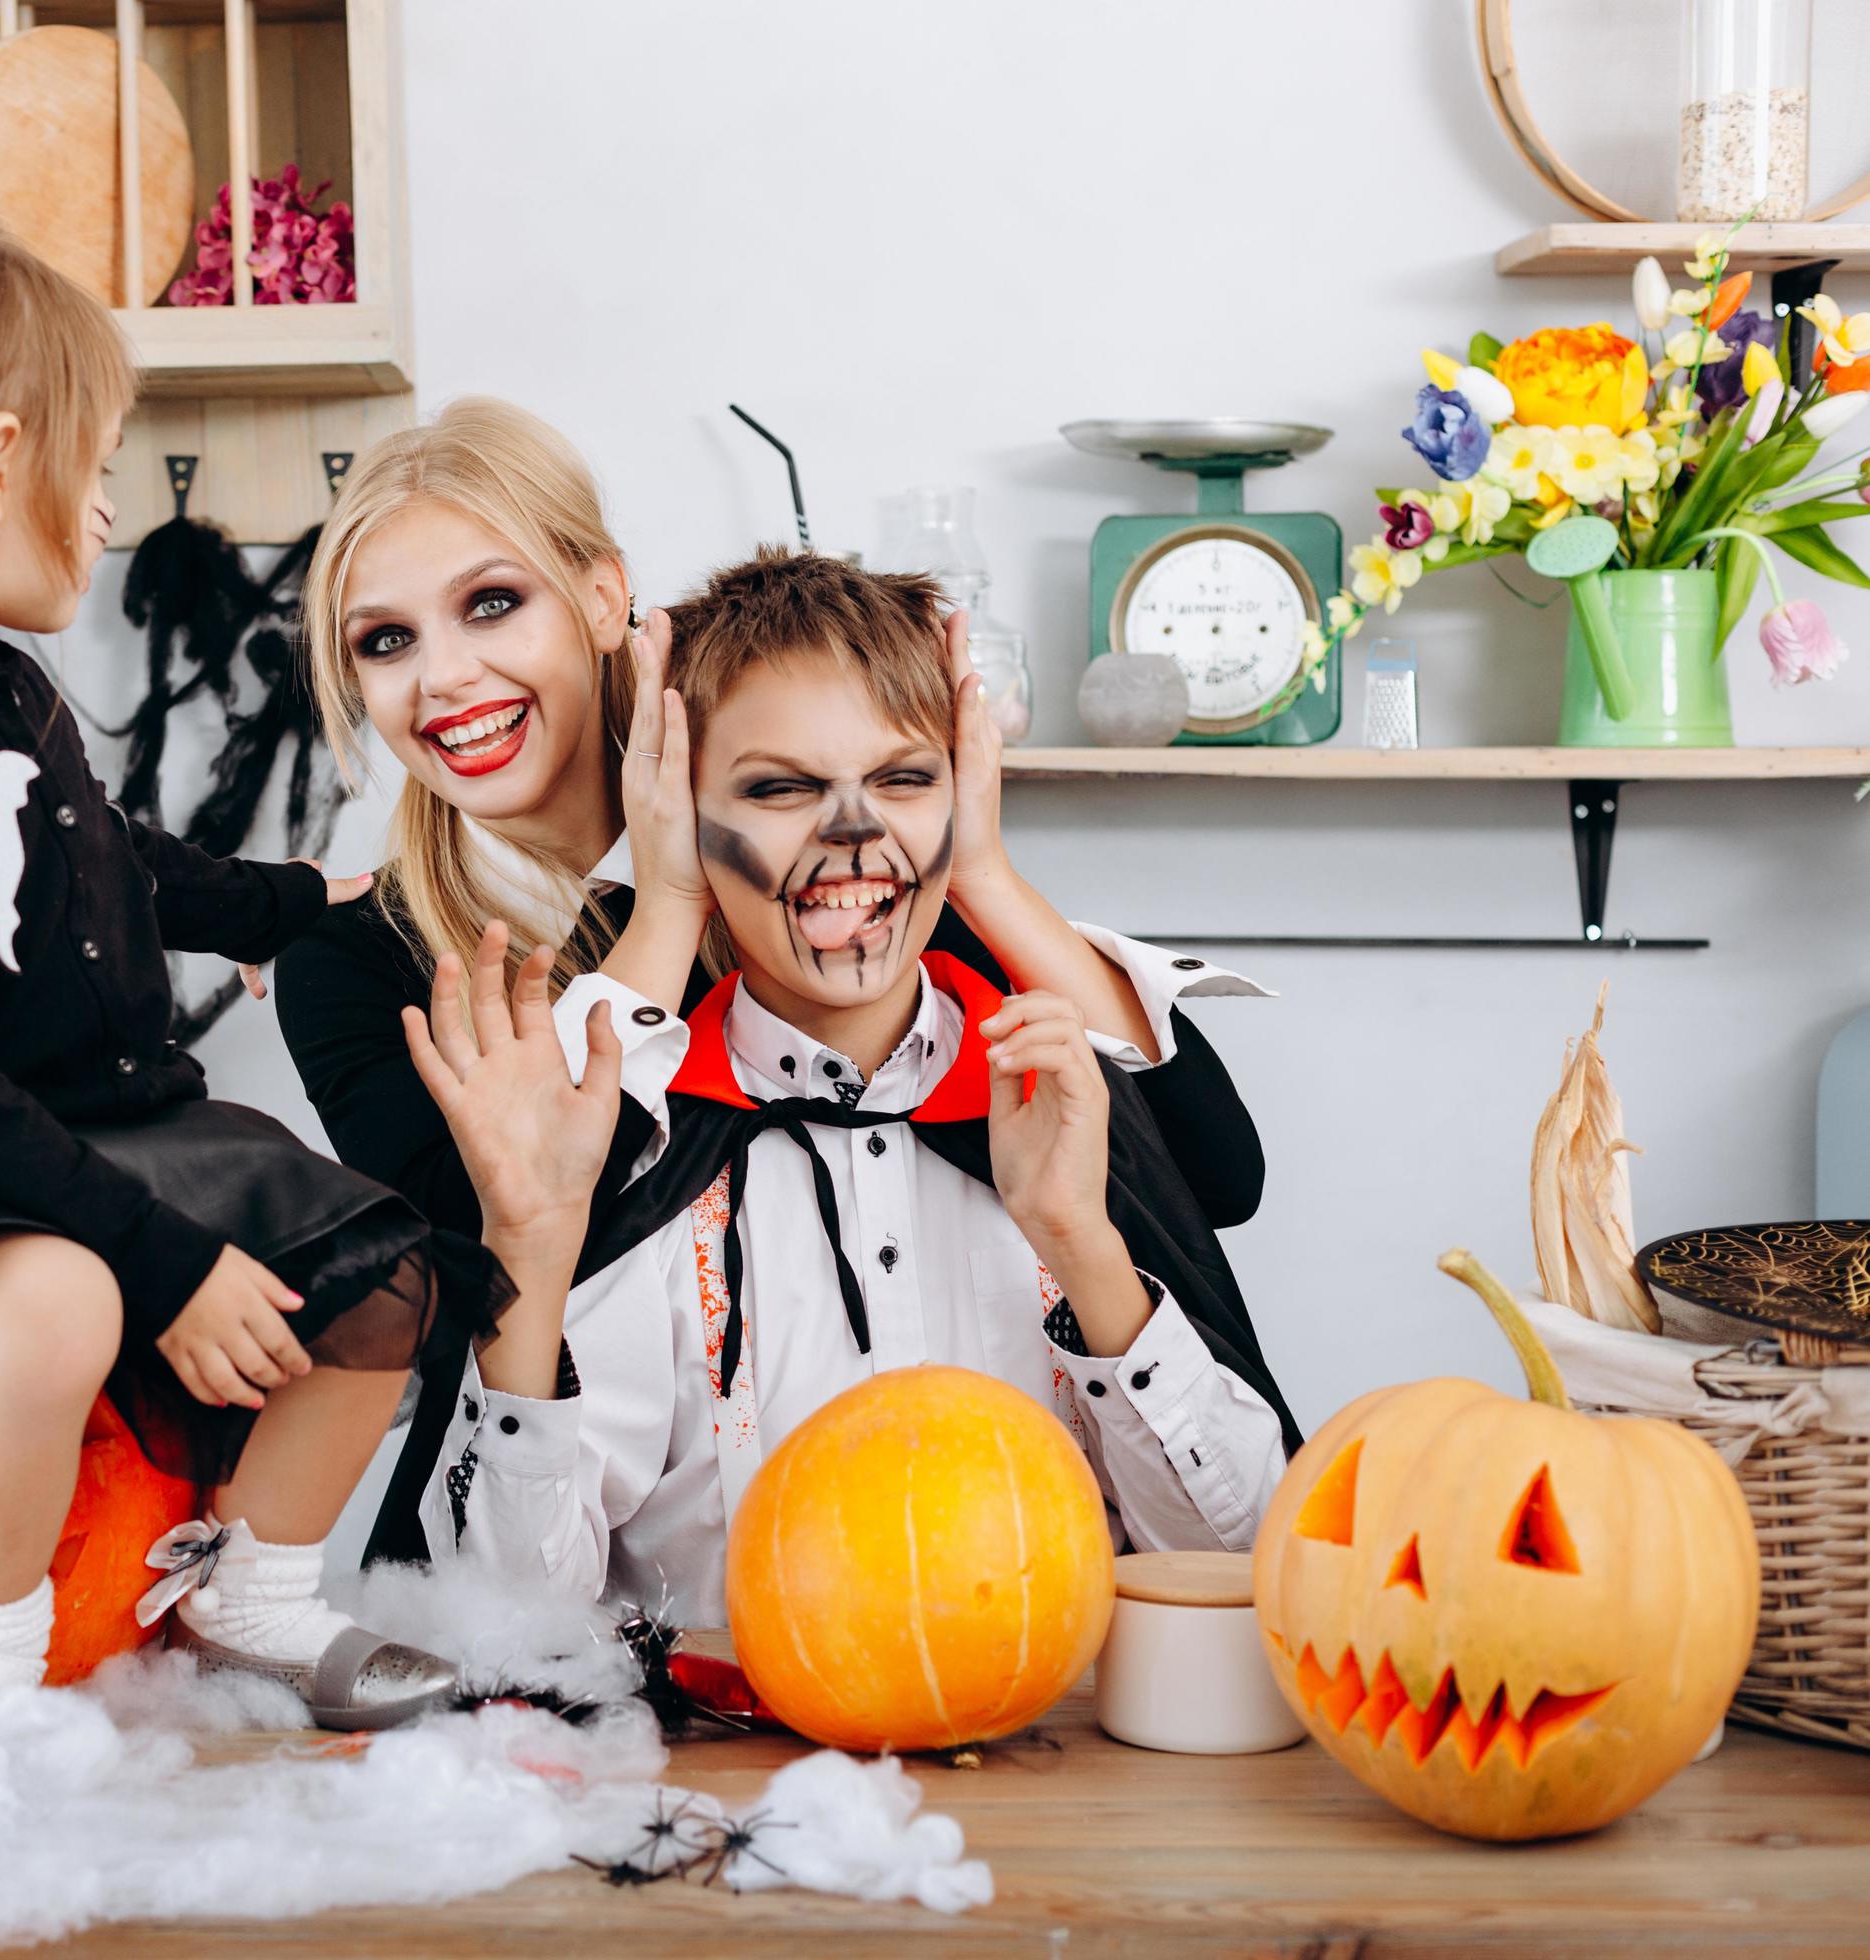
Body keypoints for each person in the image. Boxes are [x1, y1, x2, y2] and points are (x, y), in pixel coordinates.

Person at [0, 200, 504, 1725]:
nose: (111, 511)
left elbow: (111, 860)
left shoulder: (4, 684)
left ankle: (252, 1600)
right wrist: (170, 1259)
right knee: (61, 1296)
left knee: (383, 1267)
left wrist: (298, 906)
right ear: (1, 464)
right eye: (98, 464)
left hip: (75, 1132)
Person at [270, 398, 1273, 1562]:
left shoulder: (811, 851)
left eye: (492, 603)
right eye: (381, 641)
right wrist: (669, 902)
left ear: (603, 598)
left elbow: (1210, 1177)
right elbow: (510, 1262)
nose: (442, 677)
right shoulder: (355, 955)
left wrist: (983, 870)